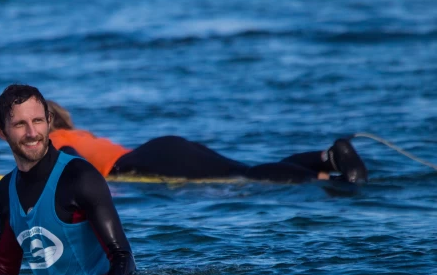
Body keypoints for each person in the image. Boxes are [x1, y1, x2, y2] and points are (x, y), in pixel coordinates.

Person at [0, 84, 136, 275]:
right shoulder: (5, 190)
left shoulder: (80, 177)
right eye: (20, 124)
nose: (32, 132)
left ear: (49, 121)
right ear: (1, 131)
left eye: (38, 121)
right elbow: (4, 267)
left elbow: (123, 259)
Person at [46, 101, 368, 184]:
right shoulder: (80, 132)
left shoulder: (55, 139)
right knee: (242, 169)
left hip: (146, 160)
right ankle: (326, 159)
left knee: (242, 176)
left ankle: (331, 181)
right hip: (160, 148)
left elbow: (73, 161)